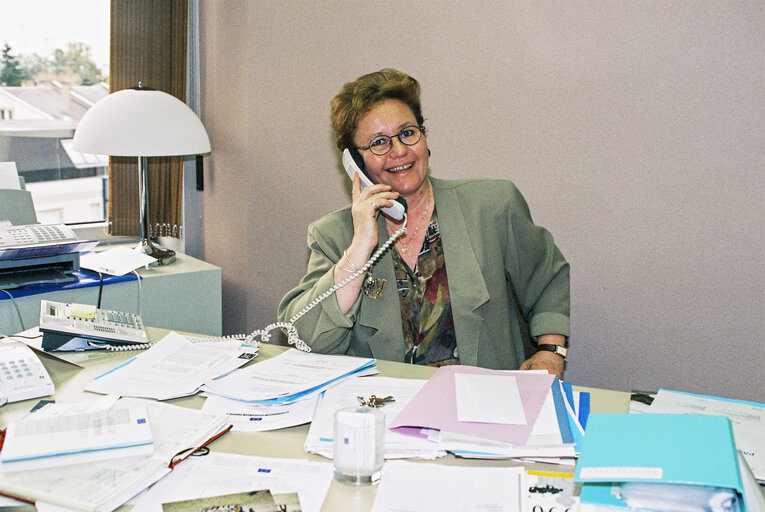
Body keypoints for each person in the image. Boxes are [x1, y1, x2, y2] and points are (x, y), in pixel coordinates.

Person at [277, 68, 570, 378]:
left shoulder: (493, 206)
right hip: (380, 414)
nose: (400, 151)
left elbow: (547, 280)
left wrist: (551, 352)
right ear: (355, 162)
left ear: (424, 136)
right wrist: (359, 248)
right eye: (379, 142)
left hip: (481, 410)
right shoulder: (333, 236)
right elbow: (303, 340)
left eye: (407, 133)